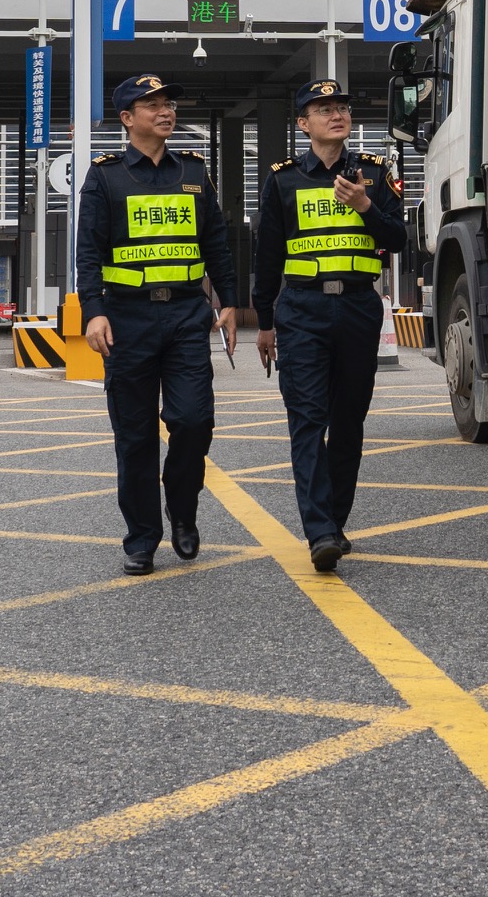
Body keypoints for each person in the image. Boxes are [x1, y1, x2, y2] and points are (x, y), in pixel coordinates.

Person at [77, 72, 238, 575]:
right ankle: (142, 536)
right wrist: (93, 310)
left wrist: (229, 301)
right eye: (152, 105)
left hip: (188, 316)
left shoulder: (193, 171)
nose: (166, 111)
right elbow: (87, 251)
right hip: (127, 320)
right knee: (135, 434)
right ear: (127, 119)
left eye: (168, 103)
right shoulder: (105, 177)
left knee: (194, 422)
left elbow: (216, 242)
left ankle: (182, 511)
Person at [252, 77, 407, 573]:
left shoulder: (376, 174)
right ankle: (319, 530)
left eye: (342, 106)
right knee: (306, 420)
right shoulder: (283, 179)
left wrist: (365, 206)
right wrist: (266, 322)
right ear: (303, 123)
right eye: (323, 109)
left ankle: (335, 522)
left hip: (359, 308)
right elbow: (267, 255)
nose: (336, 114)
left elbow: (400, 239)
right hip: (302, 312)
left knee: (347, 424)